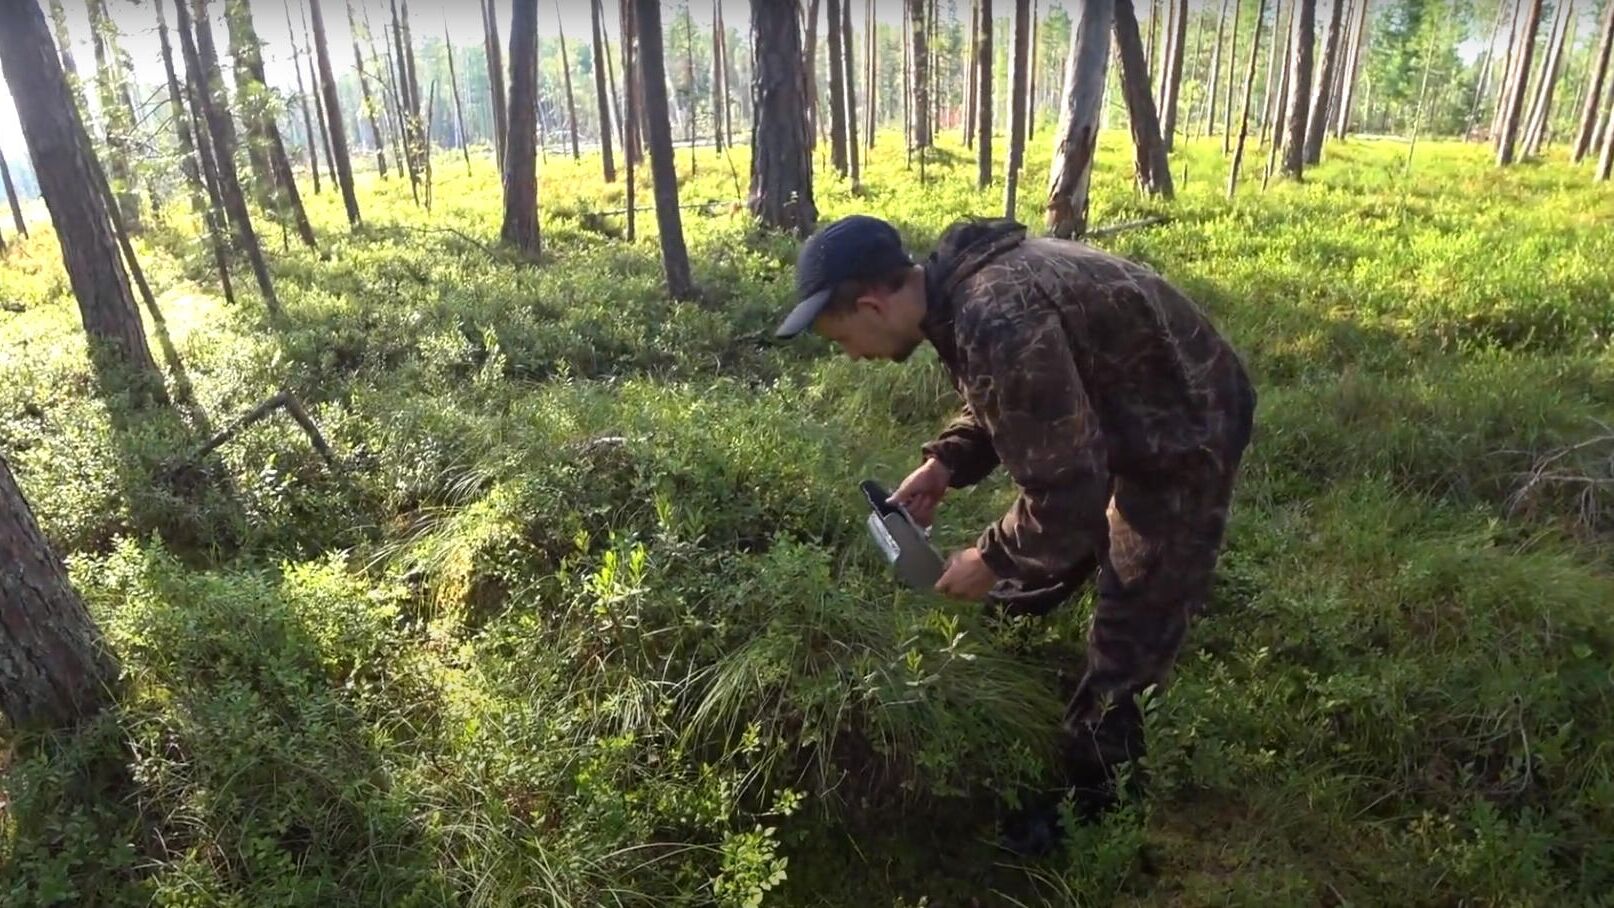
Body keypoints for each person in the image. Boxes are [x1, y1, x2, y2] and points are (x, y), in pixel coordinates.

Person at [774, 214, 1257, 854]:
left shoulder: (994, 313)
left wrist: (990, 556)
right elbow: (1017, 393)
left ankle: (1094, 802)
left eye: (845, 339)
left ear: (871, 304)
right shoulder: (957, 297)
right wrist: (947, 460)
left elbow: (1070, 494)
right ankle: (1016, 648)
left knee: (1133, 613)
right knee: (1048, 556)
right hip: (1121, 410)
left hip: (1185, 426)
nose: (854, 356)